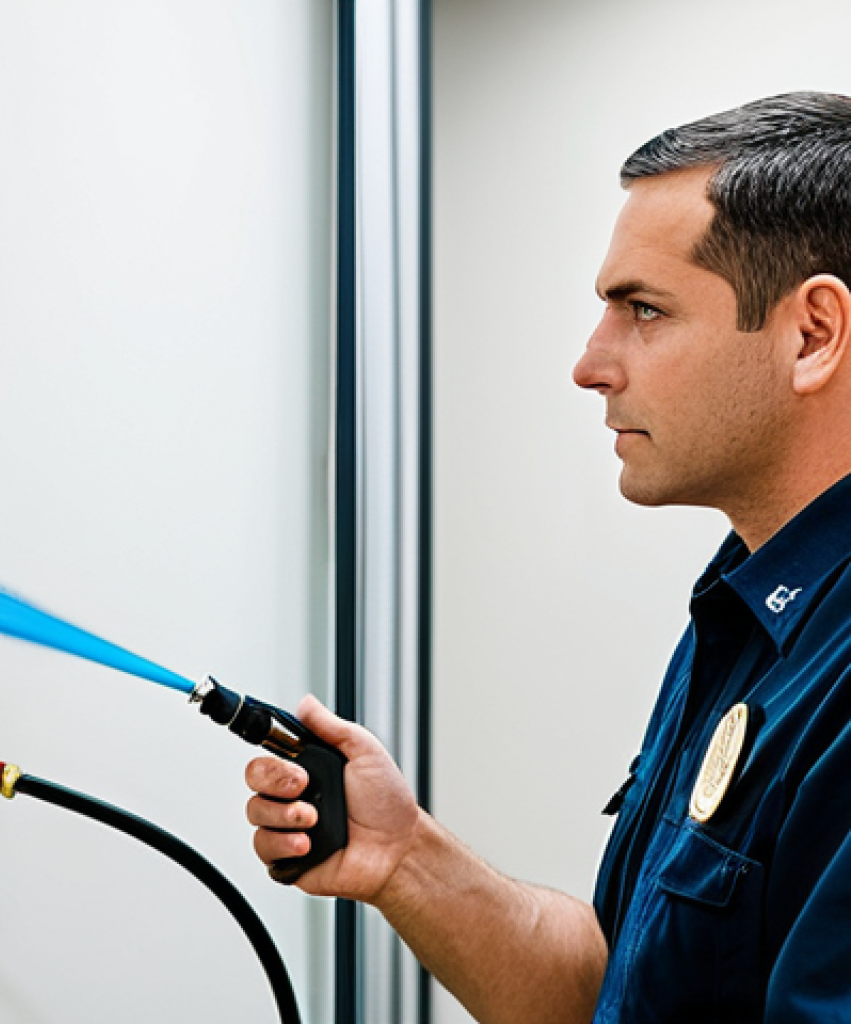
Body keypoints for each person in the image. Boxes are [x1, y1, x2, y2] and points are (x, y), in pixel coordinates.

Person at [246, 92, 851, 1023]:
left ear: (813, 334)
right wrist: (405, 856)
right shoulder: (751, 614)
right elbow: (620, 990)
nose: (590, 362)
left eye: (644, 311)